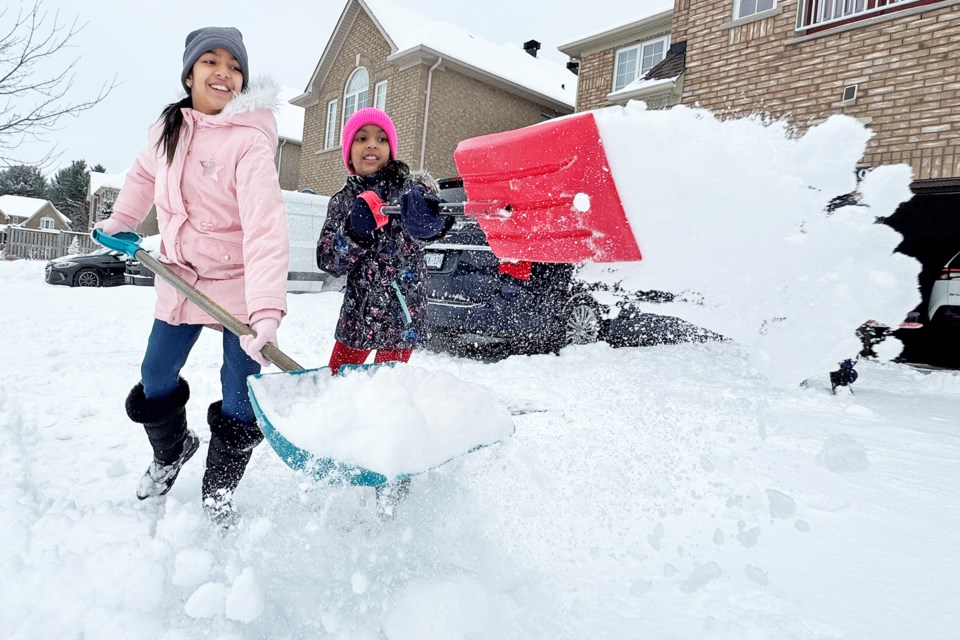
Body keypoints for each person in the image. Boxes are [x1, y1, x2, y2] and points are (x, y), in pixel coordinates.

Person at [93, 26, 288, 525]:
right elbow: (141, 176)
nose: (223, 72)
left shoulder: (250, 141)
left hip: (240, 285)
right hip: (181, 276)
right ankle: (172, 451)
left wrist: (266, 309)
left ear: (242, 81)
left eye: (234, 65)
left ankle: (220, 487)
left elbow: (265, 228)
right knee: (154, 376)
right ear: (190, 72)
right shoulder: (168, 129)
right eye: (211, 61)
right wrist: (120, 222)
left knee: (240, 392)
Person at [316, 107, 452, 517]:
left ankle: (392, 475)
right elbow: (328, 260)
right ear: (349, 150)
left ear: (391, 148)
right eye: (361, 138)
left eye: (380, 138)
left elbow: (436, 225)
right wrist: (355, 231)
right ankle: (338, 454)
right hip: (357, 316)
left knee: (389, 397)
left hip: (401, 316)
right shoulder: (342, 201)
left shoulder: (409, 191)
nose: (371, 145)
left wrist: (432, 222)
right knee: (340, 387)